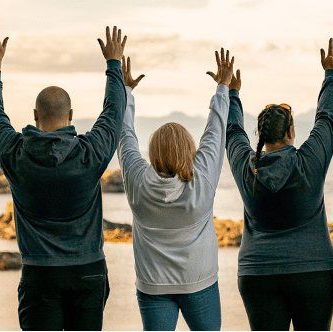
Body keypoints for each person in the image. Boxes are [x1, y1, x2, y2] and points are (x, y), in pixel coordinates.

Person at [0, 24, 127, 330]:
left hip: (39, 275)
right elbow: (113, 113)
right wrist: (114, 65)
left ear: (35, 115)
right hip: (88, 272)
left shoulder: (16, 155)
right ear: (71, 116)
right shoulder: (90, 153)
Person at [225, 38, 333, 331]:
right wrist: (330, 73)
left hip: (258, 273)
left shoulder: (245, 165)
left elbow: (233, 130)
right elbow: (326, 118)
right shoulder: (310, 160)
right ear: (291, 130)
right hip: (313, 271)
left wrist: (232, 93)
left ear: (261, 134)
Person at [117, 49, 235, 331]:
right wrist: (223, 87)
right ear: (190, 150)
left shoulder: (137, 180)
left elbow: (124, 134)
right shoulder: (202, 179)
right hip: (200, 283)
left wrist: (125, 92)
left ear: (153, 152)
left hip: (152, 286)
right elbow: (215, 130)